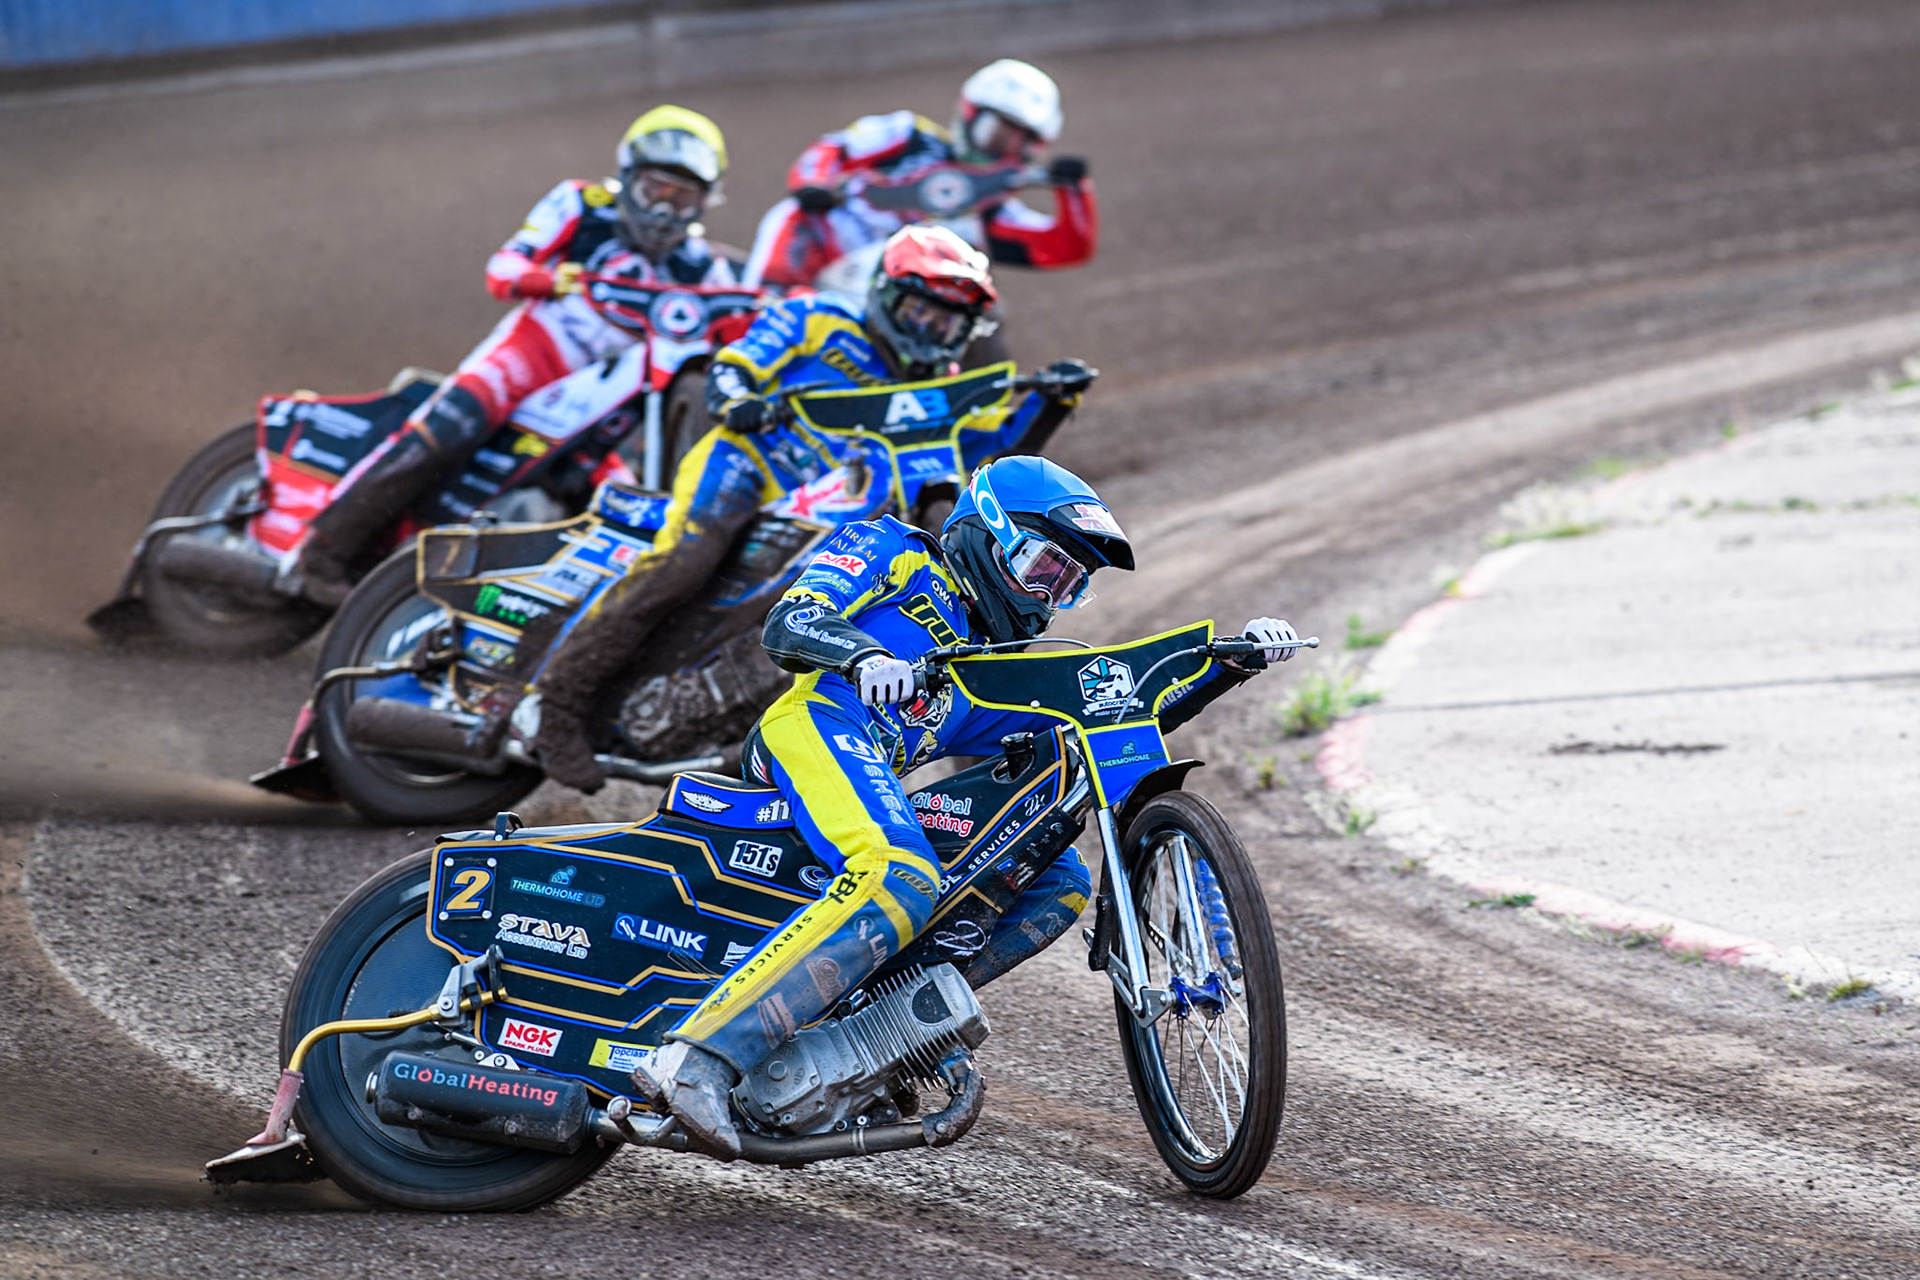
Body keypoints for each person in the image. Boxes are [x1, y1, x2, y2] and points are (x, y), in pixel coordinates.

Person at [630, 455, 1300, 1156]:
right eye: (1044, 569)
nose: (1047, 599)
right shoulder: (895, 549)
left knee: (1059, 879)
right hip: (816, 725)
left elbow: (1106, 720)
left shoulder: (993, 659)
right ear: (987, 533)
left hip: (873, 775)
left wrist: (1227, 666)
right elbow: (791, 620)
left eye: (1068, 587)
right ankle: (695, 1059)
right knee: (900, 871)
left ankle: (868, 1034)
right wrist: (862, 657)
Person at [523, 225, 1095, 791]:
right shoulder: (816, 318)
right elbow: (737, 362)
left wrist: (1050, 402)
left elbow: (984, 462)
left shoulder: (940, 391)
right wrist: (736, 396)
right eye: (922, 311)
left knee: (940, 571)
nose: (931, 330)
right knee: (684, 564)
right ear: (887, 294)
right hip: (749, 463)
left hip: (834, 509)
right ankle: (557, 707)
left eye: (947, 321)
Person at [294, 106, 737, 604]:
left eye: (682, 199)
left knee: (616, 498)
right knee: (454, 425)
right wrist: (545, 279)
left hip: (603, 405)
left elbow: (744, 331)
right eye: (657, 191)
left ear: (703, 205)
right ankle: (322, 551)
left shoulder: (703, 269)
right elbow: (504, 267)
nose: (664, 211)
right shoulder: (581, 204)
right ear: (629, 177)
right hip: (529, 358)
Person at [742, 58, 1097, 289]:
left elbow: (1066, 248)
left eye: (1019, 142)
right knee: (790, 216)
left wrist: (1073, 190)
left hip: (892, 281)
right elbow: (833, 149)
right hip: (822, 248)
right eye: (997, 131)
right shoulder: (907, 134)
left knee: (977, 298)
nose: (1000, 148)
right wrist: (813, 184)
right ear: (970, 113)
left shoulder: (993, 207)